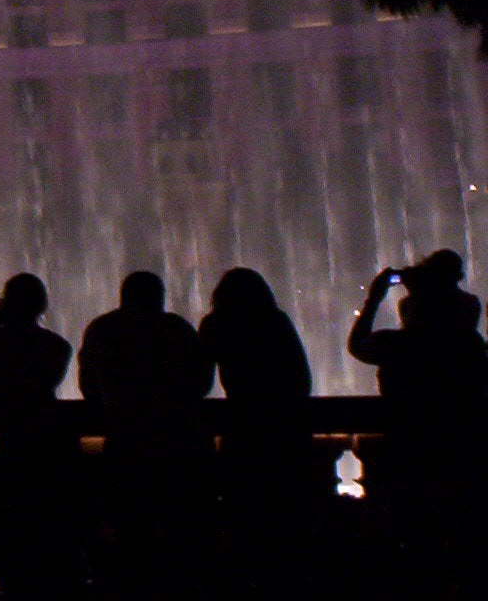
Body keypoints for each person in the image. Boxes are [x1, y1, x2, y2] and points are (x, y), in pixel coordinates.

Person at [346, 250, 488, 579]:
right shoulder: (469, 346)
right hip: (464, 457)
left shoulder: (401, 345)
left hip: (408, 456)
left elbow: (358, 345)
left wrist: (374, 298)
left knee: (416, 549)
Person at [78, 272, 213, 589]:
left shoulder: (102, 330)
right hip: (176, 443)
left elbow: (89, 388)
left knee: (130, 529)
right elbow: (201, 384)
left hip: (125, 441)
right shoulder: (176, 329)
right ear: (159, 296)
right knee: (178, 531)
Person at [0, 273, 80, 600]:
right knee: (44, 536)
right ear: (42, 304)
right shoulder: (58, 346)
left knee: (9, 535)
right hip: (49, 450)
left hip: (9, 451)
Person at [198, 268, 317, 584]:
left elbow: (199, 382)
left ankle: (248, 578)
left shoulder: (216, 325)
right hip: (284, 428)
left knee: (246, 511)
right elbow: (301, 378)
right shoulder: (276, 322)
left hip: (242, 428)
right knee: (286, 512)